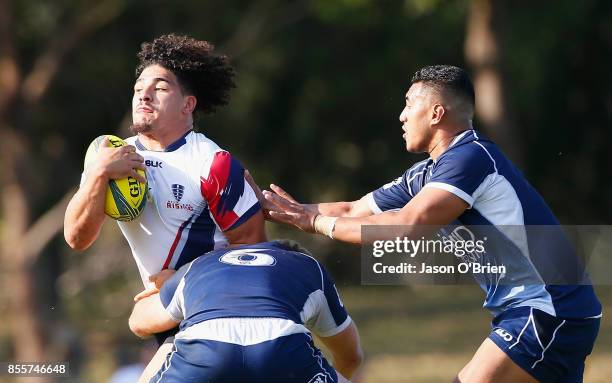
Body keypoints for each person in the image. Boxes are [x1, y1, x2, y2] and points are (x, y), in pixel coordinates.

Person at [257, 65, 601, 382]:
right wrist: (273, 209)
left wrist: (315, 222)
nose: (402, 115)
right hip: (542, 310)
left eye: (409, 105)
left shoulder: (470, 159)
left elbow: (405, 225)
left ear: (437, 113)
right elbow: (352, 210)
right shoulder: (428, 173)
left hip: (549, 308)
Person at [63, 34, 266, 374]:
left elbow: (256, 254)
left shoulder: (212, 163)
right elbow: (77, 238)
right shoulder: (110, 156)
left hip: (222, 315)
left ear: (188, 105)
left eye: (160, 87)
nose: (144, 93)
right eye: (139, 86)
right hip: (172, 317)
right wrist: (98, 173)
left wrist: (187, 276)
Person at [128, 240, 363, 383]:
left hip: (205, 348)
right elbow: (351, 356)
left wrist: (162, 287)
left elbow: (140, 324)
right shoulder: (310, 267)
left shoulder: (200, 264)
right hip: (280, 346)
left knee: (171, 342)